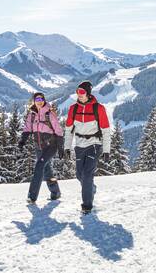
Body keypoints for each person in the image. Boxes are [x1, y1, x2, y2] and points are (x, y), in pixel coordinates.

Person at [63, 80, 111, 215]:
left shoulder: (98, 108)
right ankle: (90, 188)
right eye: (77, 91)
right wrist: (67, 147)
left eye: (82, 92)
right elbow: (68, 130)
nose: (79, 94)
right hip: (79, 145)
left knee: (87, 174)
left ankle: (87, 206)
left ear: (88, 93)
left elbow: (106, 131)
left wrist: (106, 150)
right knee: (79, 175)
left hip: (94, 144)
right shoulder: (73, 109)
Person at [18, 92, 64, 204]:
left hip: (50, 146)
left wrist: (60, 147)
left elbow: (58, 130)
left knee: (39, 166)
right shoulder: (32, 114)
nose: (39, 101)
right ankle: (56, 192)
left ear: (44, 100)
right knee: (47, 170)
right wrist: (22, 141)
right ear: (34, 101)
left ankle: (32, 196)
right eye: (37, 99)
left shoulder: (49, 113)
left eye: (41, 99)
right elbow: (27, 128)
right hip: (38, 146)